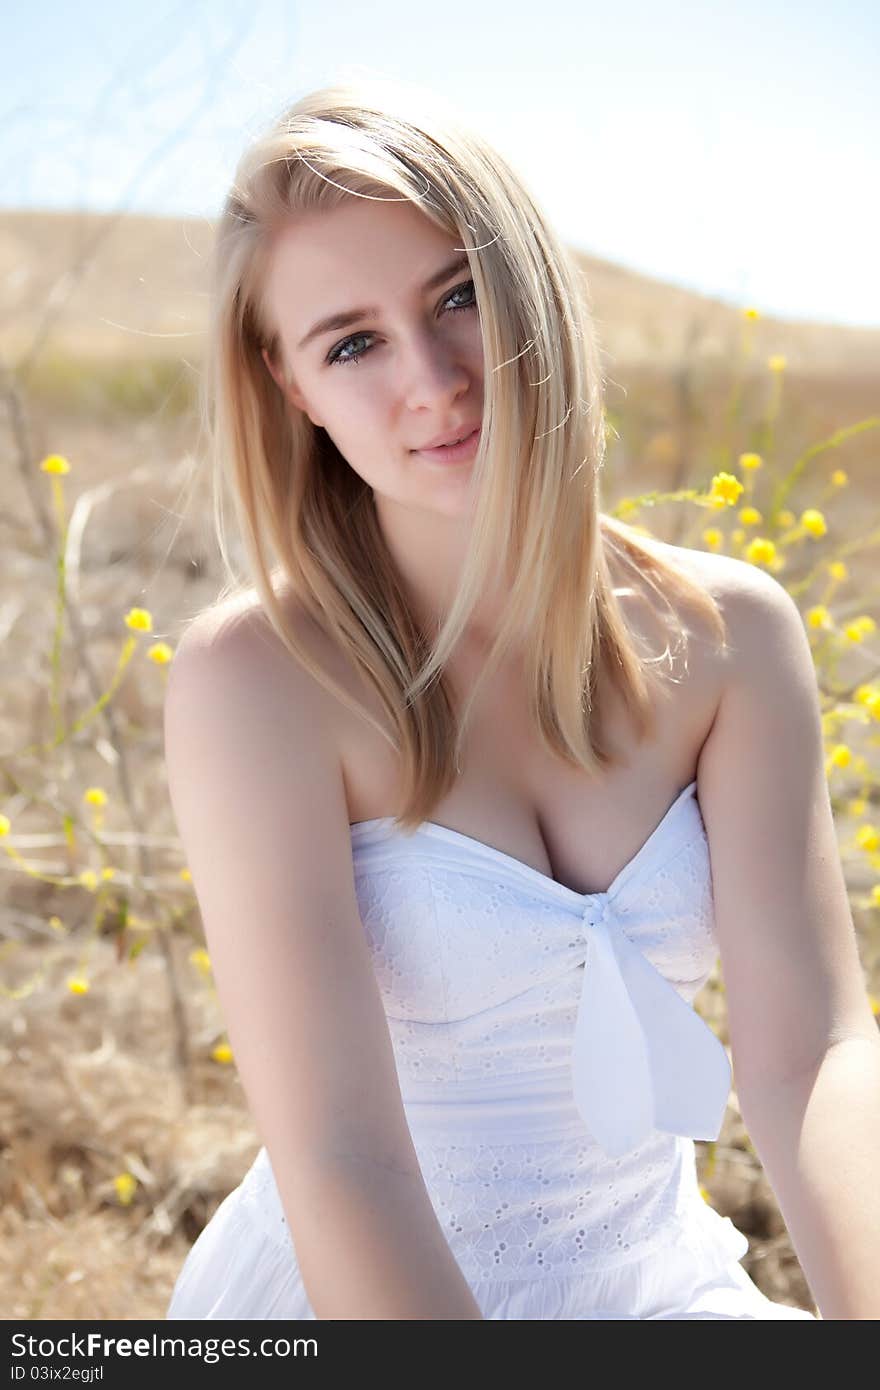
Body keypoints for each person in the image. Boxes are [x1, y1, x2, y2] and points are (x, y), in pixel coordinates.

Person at [162, 78, 872, 1320]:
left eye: (458, 296)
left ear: (533, 287)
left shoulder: (729, 639)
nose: (433, 378)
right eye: (353, 341)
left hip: (655, 1282)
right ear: (292, 388)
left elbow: (812, 1056)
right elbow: (344, 1158)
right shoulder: (258, 680)